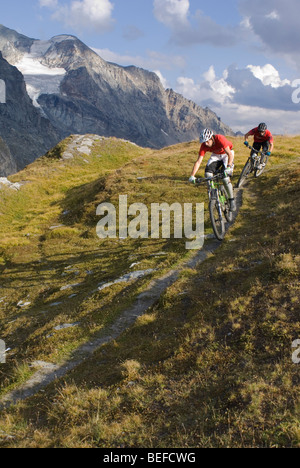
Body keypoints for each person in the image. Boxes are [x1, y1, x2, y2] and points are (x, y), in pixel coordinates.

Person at [189, 129, 236, 211]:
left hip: (226, 154)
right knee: (207, 174)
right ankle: (213, 196)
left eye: (207, 141)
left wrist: (228, 167)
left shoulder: (220, 138)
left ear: (212, 138)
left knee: (225, 179)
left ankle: (231, 200)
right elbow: (198, 161)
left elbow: (229, 154)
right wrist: (192, 176)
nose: (206, 144)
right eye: (204, 142)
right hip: (216, 156)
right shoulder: (204, 145)